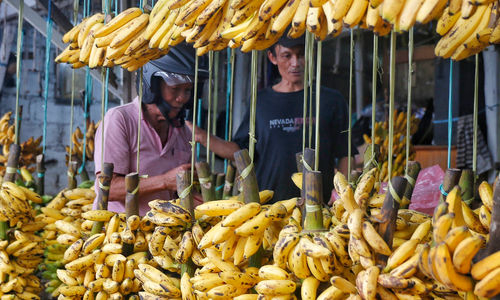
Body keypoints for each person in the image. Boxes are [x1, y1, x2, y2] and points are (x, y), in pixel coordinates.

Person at [193, 36, 353, 203]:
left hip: (319, 208)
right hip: (269, 208)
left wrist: (339, 196)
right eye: (287, 55)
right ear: (272, 57)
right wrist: (203, 137)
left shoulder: (330, 100)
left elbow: (346, 154)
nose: (295, 63)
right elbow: (241, 151)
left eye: (301, 55)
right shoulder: (260, 101)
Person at [93, 44, 213, 216]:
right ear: (153, 86)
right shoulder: (120, 120)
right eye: (175, 89)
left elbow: (177, 191)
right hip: (117, 233)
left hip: (162, 233)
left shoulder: (183, 132)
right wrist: (165, 181)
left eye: (188, 90)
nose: (182, 98)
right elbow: (108, 189)